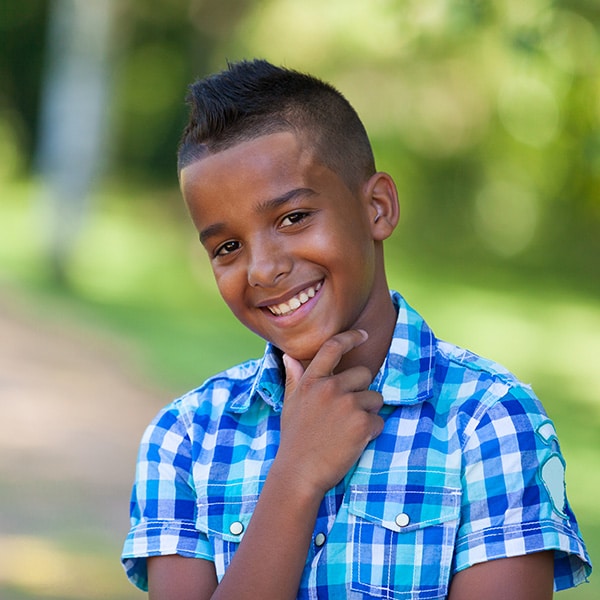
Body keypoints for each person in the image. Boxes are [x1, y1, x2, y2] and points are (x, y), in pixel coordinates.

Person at [121, 59, 591, 599]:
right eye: (227, 247)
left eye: (293, 218)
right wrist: (295, 476)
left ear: (377, 207)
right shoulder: (184, 439)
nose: (262, 268)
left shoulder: (488, 424)